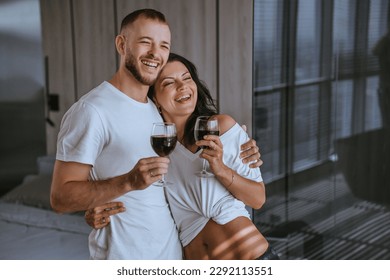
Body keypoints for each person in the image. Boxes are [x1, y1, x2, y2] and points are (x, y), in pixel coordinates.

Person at [50, 9, 262, 260]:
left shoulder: (158, 115)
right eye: (145, 42)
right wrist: (124, 184)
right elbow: (61, 197)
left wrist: (237, 146)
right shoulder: (92, 110)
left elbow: (172, 186)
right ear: (121, 44)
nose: (155, 53)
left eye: (163, 45)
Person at [86, 53, 279, 260]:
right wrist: (93, 212)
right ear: (154, 100)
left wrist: (221, 169)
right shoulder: (151, 148)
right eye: (169, 83)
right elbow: (126, 195)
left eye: (187, 78)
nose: (183, 86)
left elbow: (257, 199)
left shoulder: (221, 128)